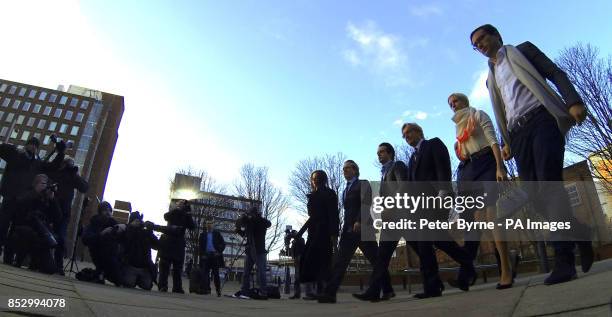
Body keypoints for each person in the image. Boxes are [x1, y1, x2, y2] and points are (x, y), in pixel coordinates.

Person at [470, 24, 594, 285]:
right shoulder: (490, 77)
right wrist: (506, 141)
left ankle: (564, 260)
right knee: (535, 196)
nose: (480, 45)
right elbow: (503, 107)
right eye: (475, 44)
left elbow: (555, 72)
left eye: (483, 38)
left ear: (496, 36)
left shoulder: (522, 51)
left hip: (542, 119)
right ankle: (580, 231)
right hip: (518, 134)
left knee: (549, 186)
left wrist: (573, 101)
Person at [402, 123, 476, 298]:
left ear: (419, 131)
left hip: (437, 198)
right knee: (439, 239)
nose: (406, 137)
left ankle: (433, 286)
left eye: (408, 132)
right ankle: (467, 263)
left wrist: (443, 191)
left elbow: (443, 166)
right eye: (403, 135)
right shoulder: (412, 159)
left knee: (426, 241)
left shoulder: (433, 144)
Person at [448, 92, 514, 289]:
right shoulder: (458, 128)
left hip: (486, 163)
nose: (453, 104)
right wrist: (459, 150)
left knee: (492, 215)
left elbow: (493, 141)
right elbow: (463, 153)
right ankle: (504, 260)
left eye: (456, 100)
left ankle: (506, 270)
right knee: (476, 221)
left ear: (465, 101)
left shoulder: (478, 115)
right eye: (450, 103)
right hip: (468, 171)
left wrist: (499, 167)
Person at [318, 160, 393, 303]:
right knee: (340, 261)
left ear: (355, 169)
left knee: (376, 260)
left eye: (347, 168)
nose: (344, 171)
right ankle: (330, 293)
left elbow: (366, 203)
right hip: (348, 231)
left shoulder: (363, 183)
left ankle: (387, 289)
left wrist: (359, 220)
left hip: (363, 227)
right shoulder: (345, 189)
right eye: (343, 169)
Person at [0, 137, 65, 263]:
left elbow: (52, 166)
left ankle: (9, 255)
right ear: (27, 145)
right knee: (2, 224)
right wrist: (14, 148)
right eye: (31, 144)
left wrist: (61, 152)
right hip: (10, 196)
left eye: (35, 146)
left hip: (24, 200)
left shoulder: (37, 163)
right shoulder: (16, 155)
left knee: (16, 227)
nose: (33, 147)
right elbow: (2, 149)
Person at [294, 170, 339, 301]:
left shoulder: (329, 193)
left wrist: (334, 234)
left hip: (324, 232)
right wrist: (301, 233)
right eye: (313, 178)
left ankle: (324, 291)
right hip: (313, 232)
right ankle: (314, 291)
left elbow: (333, 215)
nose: (314, 180)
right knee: (310, 260)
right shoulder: (313, 195)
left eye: (316, 178)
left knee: (321, 261)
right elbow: (312, 217)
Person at [10, 174, 61, 274]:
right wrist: (36, 193)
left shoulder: (46, 199)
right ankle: (19, 259)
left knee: (49, 269)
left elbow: (58, 217)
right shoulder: (28, 194)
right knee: (26, 233)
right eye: (43, 184)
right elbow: (20, 208)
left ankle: (35, 263)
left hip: (40, 236)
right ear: (36, 184)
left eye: (46, 184)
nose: (45, 187)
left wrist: (52, 200)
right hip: (25, 231)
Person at [47, 156, 89, 275]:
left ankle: (58, 266)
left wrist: (75, 174)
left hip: (64, 213)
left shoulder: (72, 176)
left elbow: (84, 187)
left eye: (71, 164)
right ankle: (44, 260)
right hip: (51, 209)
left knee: (60, 237)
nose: (69, 166)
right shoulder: (57, 173)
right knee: (48, 234)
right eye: (68, 164)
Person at [155, 199, 195, 293]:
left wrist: (188, 213)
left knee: (178, 268)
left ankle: (177, 287)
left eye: (183, 203)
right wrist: (176, 209)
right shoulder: (173, 213)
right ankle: (162, 286)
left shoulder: (186, 215)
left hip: (179, 243)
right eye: (180, 203)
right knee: (164, 267)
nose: (181, 205)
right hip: (168, 241)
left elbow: (192, 227)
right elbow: (166, 216)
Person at [82, 201, 122, 285]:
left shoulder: (114, 224)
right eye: (105, 210)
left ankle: (101, 273)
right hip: (98, 254)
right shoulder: (94, 223)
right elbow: (85, 239)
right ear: (100, 212)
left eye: (110, 211)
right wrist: (101, 234)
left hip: (113, 257)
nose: (108, 213)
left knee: (119, 279)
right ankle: (100, 272)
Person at [235, 206, 271, 299]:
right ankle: (244, 291)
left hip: (259, 250)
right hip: (250, 250)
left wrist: (254, 219)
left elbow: (268, 223)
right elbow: (246, 234)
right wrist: (239, 231)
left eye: (250, 214)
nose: (249, 216)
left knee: (261, 272)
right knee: (246, 272)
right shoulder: (250, 223)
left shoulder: (261, 221)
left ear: (254, 214)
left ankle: (263, 292)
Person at [118, 212, 159, 290]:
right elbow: (126, 241)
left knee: (147, 286)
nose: (138, 222)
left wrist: (150, 231)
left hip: (144, 267)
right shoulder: (127, 230)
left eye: (139, 221)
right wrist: (132, 228)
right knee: (129, 283)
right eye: (136, 221)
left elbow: (157, 245)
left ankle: (138, 279)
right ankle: (134, 278)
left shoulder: (145, 233)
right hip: (130, 265)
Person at [198, 218, 225, 296]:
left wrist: (218, 252)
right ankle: (206, 289)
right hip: (206, 256)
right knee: (205, 274)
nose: (209, 225)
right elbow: (200, 247)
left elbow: (223, 244)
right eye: (208, 223)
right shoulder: (202, 235)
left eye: (211, 223)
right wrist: (202, 255)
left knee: (216, 274)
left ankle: (218, 290)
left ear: (213, 225)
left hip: (215, 256)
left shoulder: (217, 234)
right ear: (206, 225)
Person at [286, 230, 306, 299]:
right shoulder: (294, 242)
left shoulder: (301, 239)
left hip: (300, 258)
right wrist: (288, 248)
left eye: (293, 233)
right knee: (296, 277)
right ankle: (297, 293)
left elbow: (302, 246)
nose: (293, 235)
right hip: (296, 259)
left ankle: (306, 293)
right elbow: (292, 251)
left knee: (300, 277)